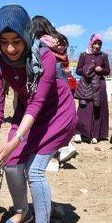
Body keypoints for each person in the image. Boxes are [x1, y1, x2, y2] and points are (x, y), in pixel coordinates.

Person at [0, 4, 77, 223]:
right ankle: (22, 212)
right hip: (27, 112)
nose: (10, 49)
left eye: (16, 41)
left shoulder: (45, 58)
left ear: (25, 35)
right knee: (11, 164)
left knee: (34, 170)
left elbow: (39, 102)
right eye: (4, 42)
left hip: (56, 114)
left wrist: (15, 140)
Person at [31, 15, 78, 164]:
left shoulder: (43, 41)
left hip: (51, 77)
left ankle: (59, 149)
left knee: (49, 116)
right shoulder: (60, 39)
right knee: (60, 113)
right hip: (63, 78)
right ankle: (64, 146)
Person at [75, 34, 110, 143]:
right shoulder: (84, 55)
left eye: (99, 44)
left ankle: (95, 135)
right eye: (95, 43)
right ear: (91, 43)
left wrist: (101, 69)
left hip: (99, 85)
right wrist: (88, 68)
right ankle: (78, 133)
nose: (97, 46)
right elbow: (78, 70)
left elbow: (107, 71)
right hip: (86, 85)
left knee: (97, 109)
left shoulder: (103, 56)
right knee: (84, 109)